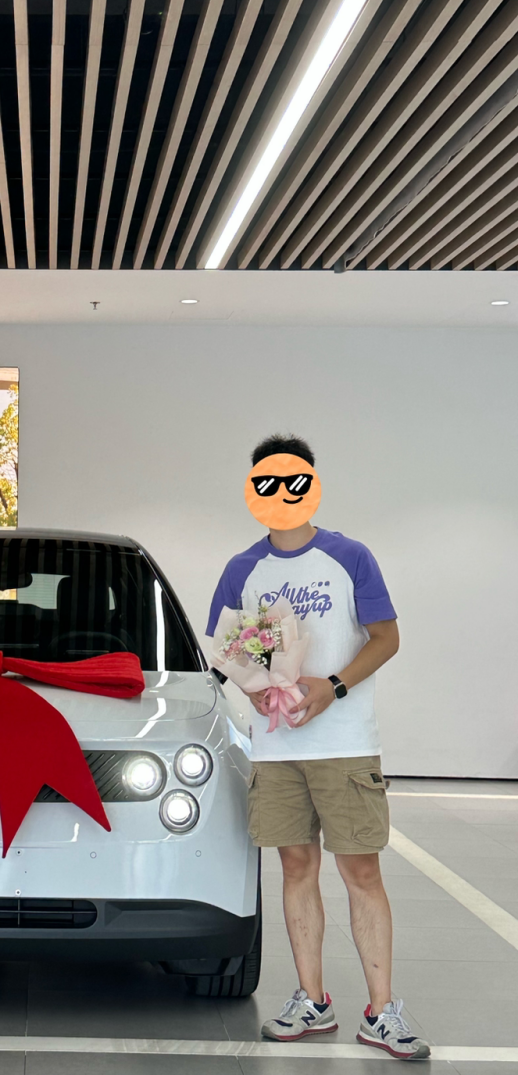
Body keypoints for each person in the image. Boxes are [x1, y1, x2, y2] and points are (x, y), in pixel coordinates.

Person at [206, 433, 429, 1061]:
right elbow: (230, 648)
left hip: (346, 746)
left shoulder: (349, 556)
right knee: (296, 868)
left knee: (361, 871)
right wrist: (256, 690)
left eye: (293, 480)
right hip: (276, 750)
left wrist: (334, 686)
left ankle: (382, 1012)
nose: (281, 491)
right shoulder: (242, 569)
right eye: (268, 481)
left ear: (311, 483)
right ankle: (312, 1001)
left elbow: (386, 638)